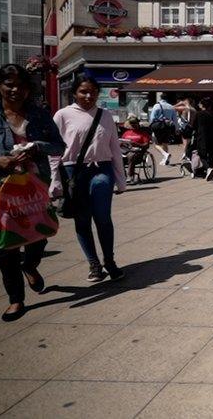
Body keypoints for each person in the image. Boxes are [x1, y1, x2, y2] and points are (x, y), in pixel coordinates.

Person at [0, 64, 66, 321]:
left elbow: (58, 145)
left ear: (28, 89)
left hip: (33, 188)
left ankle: (30, 265)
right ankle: (16, 299)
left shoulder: (39, 115)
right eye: (9, 84)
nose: (15, 90)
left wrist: (38, 146)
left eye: (21, 85)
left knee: (41, 235)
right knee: (7, 248)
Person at [52, 76, 126, 283]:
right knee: (82, 219)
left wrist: (121, 180)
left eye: (93, 91)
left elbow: (115, 149)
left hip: (102, 169)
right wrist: (54, 181)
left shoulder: (105, 115)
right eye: (83, 91)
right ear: (74, 93)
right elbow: (54, 151)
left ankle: (109, 261)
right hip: (72, 172)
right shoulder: (62, 115)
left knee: (103, 217)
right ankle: (94, 264)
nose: (88, 95)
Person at [194, 97, 213, 181]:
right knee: (212, 155)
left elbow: (194, 126)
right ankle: (211, 171)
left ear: (202, 105)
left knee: (202, 154)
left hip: (203, 136)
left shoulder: (199, 114)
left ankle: (208, 168)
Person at [120, 115, 152, 185]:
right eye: (132, 124)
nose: (133, 125)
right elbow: (121, 142)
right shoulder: (126, 133)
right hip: (126, 150)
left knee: (131, 155)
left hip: (138, 153)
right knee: (116, 156)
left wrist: (136, 144)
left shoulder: (143, 133)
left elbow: (146, 145)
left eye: (135, 123)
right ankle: (122, 175)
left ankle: (130, 176)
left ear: (138, 123)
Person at [148, 94, 177, 165]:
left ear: (160, 98)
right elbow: (175, 119)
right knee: (165, 143)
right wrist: (176, 128)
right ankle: (166, 160)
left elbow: (152, 118)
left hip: (158, 126)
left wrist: (151, 126)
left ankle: (165, 155)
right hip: (168, 127)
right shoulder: (171, 107)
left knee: (156, 144)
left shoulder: (157, 106)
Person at [175, 97, 198, 161]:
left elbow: (172, 108)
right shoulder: (194, 109)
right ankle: (186, 154)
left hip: (184, 127)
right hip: (191, 127)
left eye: (184, 101)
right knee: (188, 141)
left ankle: (185, 154)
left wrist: (179, 104)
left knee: (185, 142)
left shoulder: (184, 108)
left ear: (187, 101)